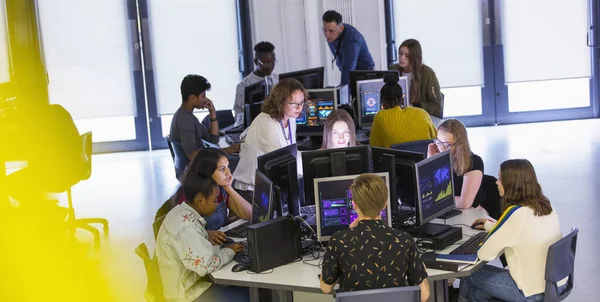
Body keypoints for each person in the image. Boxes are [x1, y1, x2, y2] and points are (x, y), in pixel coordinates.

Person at [458, 159, 562, 302]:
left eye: (500, 179)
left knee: (469, 275)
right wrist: (491, 226)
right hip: (552, 285)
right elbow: (521, 231)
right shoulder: (545, 206)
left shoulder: (515, 214)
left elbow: (485, 254)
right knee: (477, 294)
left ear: (511, 185)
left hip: (529, 292)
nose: (496, 182)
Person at [320, 174, 430, 301]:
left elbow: (326, 288)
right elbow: (424, 295)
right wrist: (421, 269)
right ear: (385, 204)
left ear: (354, 205)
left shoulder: (339, 240)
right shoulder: (404, 240)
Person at [156, 172, 250, 302]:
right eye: (215, 200)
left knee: (243, 288)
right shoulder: (186, 227)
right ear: (200, 200)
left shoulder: (182, 212)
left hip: (188, 282)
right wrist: (230, 251)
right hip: (185, 294)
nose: (217, 204)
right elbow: (206, 266)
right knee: (244, 297)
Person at [233, 78, 306, 200]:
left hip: (268, 185)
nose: (299, 107)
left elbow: (290, 154)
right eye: (293, 103)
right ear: (280, 102)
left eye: (302, 102)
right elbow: (283, 160)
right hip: (251, 189)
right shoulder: (266, 123)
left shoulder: (291, 119)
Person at [171, 148, 252, 240]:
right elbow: (181, 232)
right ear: (207, 172)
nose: (228, 173)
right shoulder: (188, 195)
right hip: (196, 245)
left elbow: (249, 214)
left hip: (217, 242)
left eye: (227, 167)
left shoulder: (221, 189)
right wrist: (206, 234)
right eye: (222, 169)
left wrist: (228, 187)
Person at [170, 74, 240, 163]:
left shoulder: (188, 116)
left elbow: (213, 139)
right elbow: (192, 155)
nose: (206, 99)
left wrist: (212, 112)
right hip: (198, 169)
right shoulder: (185, 121)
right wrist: (227, 150)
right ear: (193, 98)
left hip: (200, 165)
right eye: (203, 96)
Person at [427, 119, 484, 209]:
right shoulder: (441, 157)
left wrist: (438, 199)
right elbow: (429, 193)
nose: (441, 147)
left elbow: (464, 203)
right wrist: (431, 161)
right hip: (448, 209)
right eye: (438, 142)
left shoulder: (473, 162)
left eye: (447, 145)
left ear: (459, 144)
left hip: (471, 213)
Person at [369, 75, 437, 148]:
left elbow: (374, 147)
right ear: (402, 100)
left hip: (397, 159)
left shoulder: (380, 117)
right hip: (425, 159)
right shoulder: (422, 113)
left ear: (382, 104)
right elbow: (436, 139)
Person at [389, 39, 443, 121]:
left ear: (415, 57)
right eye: (400, 54)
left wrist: (414, 106)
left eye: (407, 55)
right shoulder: (393, 69)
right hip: (398, 117)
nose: (402, 57)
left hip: (420, 119)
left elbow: (436, 107)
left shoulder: (427, 74)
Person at [322, 10, 375, 86]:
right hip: (350, 74)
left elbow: (348, 70)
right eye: (324, 30)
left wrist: (340, 92)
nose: (327, 35)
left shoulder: (352, 39)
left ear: (340, 28)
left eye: (331, 31)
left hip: (365, 77)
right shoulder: (332, 36)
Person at [233, 41, 279, 124]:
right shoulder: (244, 85)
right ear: (255, 62)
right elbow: (239, 116)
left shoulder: (278, 80)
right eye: (266, 63)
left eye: (272, 62)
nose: (270, 66)